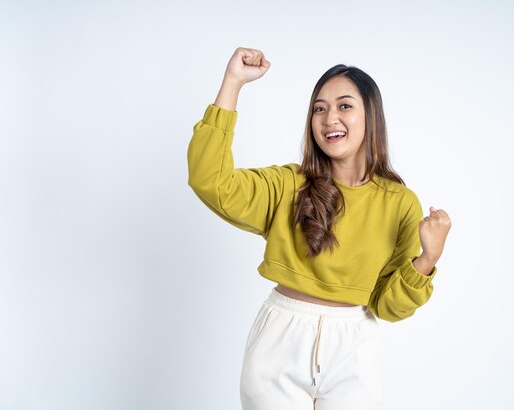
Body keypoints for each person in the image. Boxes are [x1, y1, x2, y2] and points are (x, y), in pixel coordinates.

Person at [187, 47, 451, 410]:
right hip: (280, 340)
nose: (329, 119)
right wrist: (233, 82)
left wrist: (427, 258)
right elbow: (209, 180)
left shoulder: (400, 202)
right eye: (319, 108)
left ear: (370, 116)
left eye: (344, 106)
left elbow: (388, 306)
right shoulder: (288, 185)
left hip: (354, 347)